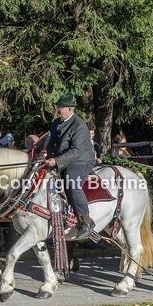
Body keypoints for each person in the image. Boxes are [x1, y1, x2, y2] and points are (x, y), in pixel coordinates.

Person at [45, 93, 97, 238]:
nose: (58, 109)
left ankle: (86, 219)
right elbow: (51, 143)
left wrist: (56, 161)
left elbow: (76, 151)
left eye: (60, 107)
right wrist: (45, 154)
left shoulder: (79, 125)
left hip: (81, 161)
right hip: (62, 159)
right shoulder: (56, 122)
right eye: (58, 107)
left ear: (69, 109)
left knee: (71, 181)